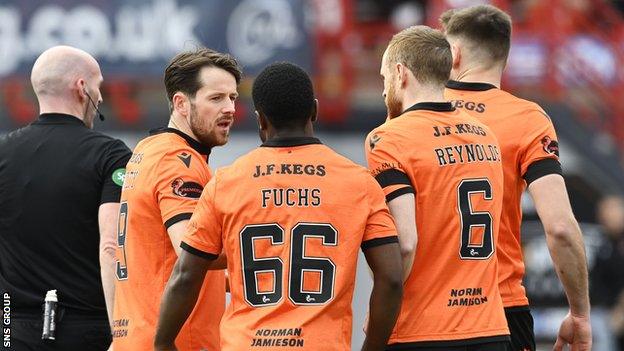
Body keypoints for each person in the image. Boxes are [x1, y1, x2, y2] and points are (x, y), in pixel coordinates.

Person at [153, 62, 403, 351]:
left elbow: (185, 275)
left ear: (260, 120)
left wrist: (162, 343)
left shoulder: (227, 182)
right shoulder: (359, 182)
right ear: (315, 111)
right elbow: (391, 278)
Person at [441, 5, 592, 351]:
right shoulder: (527, 119)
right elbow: (559, 228)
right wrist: (580, 314)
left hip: (427, 313)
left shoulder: (412, 117)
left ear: (454, 54)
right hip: (500, 307)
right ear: (504, 58)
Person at [365, 26, 510, 350]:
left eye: (384, 76)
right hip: (490, 327)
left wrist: (382, 311)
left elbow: (405, 243)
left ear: (400, 73)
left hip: (423, 329)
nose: (383, 90)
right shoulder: (486, 134)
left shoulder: (388, 138)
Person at [0, 45, 131, 350]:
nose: (100, 97)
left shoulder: (3, 153)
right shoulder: (111, 155)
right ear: (82, 87)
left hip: (12, 328)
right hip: (87, 327)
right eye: (98, 86)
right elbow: (111, 246)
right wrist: (119, 334)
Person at [111, 48, 241, 351]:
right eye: (216, 98)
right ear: (181, 103)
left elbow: (161, 257)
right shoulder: (179, 160)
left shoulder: (147, 150)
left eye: (233, 98)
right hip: (177, 340)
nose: (230, 108)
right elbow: (189, 250)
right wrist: (258, 251)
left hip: (136, 335)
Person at [592, 195, 624, 350]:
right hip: (606, 312)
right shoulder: (602, 244)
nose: (607, 215)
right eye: (604, 211)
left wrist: (620, 310)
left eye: (612, 209)